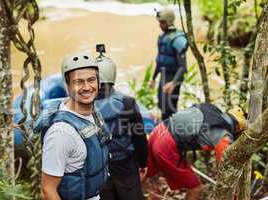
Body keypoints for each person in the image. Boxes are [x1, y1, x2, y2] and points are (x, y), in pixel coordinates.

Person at [40, 52, 110, 200]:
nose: (87, 87)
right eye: (79, 82)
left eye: (91, 80)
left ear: (98, 82)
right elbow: (48, 190)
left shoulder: (92, 111)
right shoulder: (60, 133)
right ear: (67, 85)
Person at [146, 103, 247, 200]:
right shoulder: (223, 135)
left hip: (158, 130)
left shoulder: (209, 108)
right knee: (195, 188)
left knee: (145, 173)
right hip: (166, 145)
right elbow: (225, 169)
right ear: (238, 128)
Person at [95, 51, 148, 200]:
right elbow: (139, 137)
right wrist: (143, 162)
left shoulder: (85, 106)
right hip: (126, 165)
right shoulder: (127, 102)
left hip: (99, 168)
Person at [150, 8, 188, 120]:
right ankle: (164, 131)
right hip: (163, 76)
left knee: (170, 108)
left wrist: (173, 83)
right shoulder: (162, 37)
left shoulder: (178, 39)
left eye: (162, 22)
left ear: (169, 21)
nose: (160, 25)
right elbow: (160, 60)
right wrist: (153, 78)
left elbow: (183, 67)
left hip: (173, 78)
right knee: (162, 106)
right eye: (160, 22)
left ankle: (172, 131)